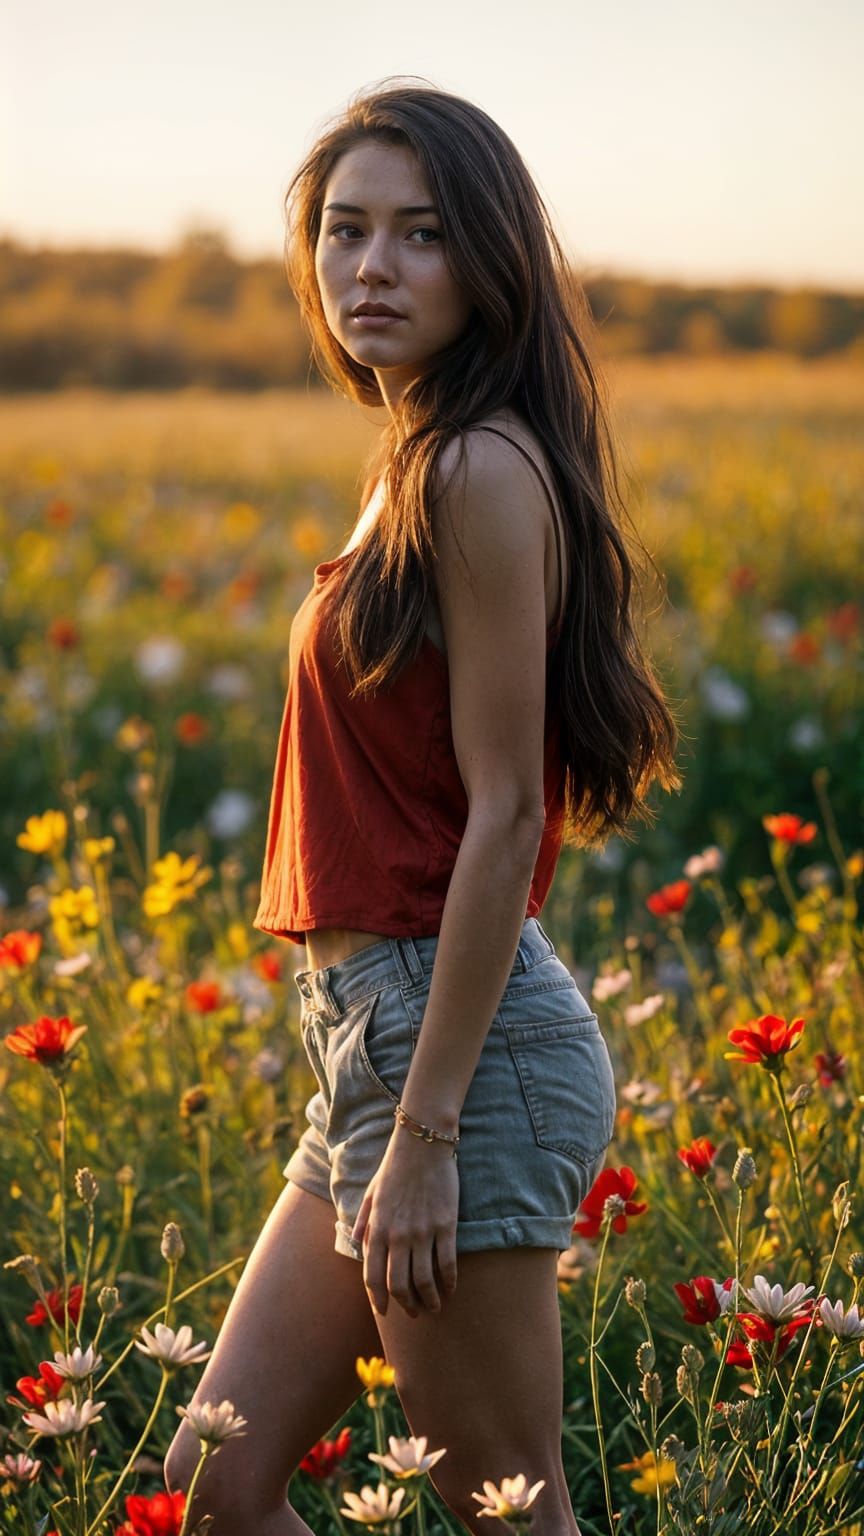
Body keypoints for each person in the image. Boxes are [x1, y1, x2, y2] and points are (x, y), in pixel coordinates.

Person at [164, 76, 681, 1536]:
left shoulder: (474, 469)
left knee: (514, 1521)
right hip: (382, 1046)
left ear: (490, 261)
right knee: (214, 1487)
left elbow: (512, 814)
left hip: (456, 1058)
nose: (371, 268)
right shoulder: (416, 464)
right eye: (344, 231)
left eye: (422, 233)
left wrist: (433, 1126)